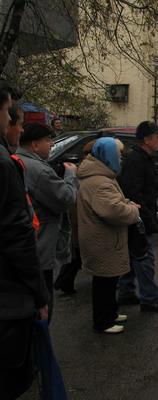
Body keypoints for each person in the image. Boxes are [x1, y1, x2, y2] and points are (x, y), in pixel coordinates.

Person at [0, 84, 49, 399]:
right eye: (6, 112)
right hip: (9, 297)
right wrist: (40, 294)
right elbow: (17, 237)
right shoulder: (6, 164)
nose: (8, 121)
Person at [16, 123, 78, 322]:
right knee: (42, 308)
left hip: (27, 247)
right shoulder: (39, 170)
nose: (52, 144)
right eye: (48, 140)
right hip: (42, 247)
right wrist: (70, 176)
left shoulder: (18, 161)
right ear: (35, 145)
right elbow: (66, 198)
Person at [77, 138, 140, 333]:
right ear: (108, 156)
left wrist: (126, 203)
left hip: (101, 239)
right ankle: (103, 321)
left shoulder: (101, 176)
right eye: (119, 155)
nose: (121, 159)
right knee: (104, 283)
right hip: (102, 240)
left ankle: (111, 313)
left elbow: (114, 201)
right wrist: (133, 210)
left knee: (109, 280)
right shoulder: (100, 181)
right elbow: (113, 211)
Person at [117, 121, 158, 312]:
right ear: (147, 140)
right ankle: (149, 299)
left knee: (133, 255)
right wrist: (147, 218)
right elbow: (133, 192)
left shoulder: (144, 158)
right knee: (144, 257)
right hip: (137, 217)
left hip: (137, 215)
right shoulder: (137, 160)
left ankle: (126, 293)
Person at [54, 140, 96, 295]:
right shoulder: (84, 170)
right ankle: (63, 282)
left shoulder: (80, 168)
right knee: (77, 255)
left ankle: (64, 282)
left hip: (77, 215)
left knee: (76, 255)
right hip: (79, 215)